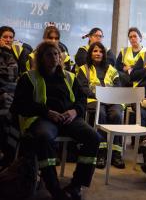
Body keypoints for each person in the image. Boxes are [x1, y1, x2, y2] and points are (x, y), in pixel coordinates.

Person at [10, 41, 100, 200]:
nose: (54, 57)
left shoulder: (70, 77)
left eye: (56, 54)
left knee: (93, 137)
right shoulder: (28, 78)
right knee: (44, 137)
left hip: (68, 118)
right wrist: (46, 112)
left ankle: (76, 185)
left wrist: (74, 111)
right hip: (43, 119)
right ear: (40, 58)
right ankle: (54, 188)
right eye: (49, 54)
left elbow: (81, 100)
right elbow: (18, 105)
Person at [76, 41, 125, 169]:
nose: (98, 53)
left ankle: (116, 154)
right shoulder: (83, 69)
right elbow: (83, 89)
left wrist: (109, 97)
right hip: (94, 100)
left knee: (116, 115)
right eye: (95, 51)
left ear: (104, 54)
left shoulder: (112, 69)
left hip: (113, 100)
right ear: (90, 53)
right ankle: (100, 153)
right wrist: (99, 96)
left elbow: (118, 86)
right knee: (101, 114)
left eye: (101, 51)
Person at [0, 43, 19, 171]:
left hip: (7, 96)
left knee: (11, 119)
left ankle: (8, 159)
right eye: (4, 37)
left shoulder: (9, 56)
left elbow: (12, 76)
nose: (8, 40)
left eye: (11, 37)